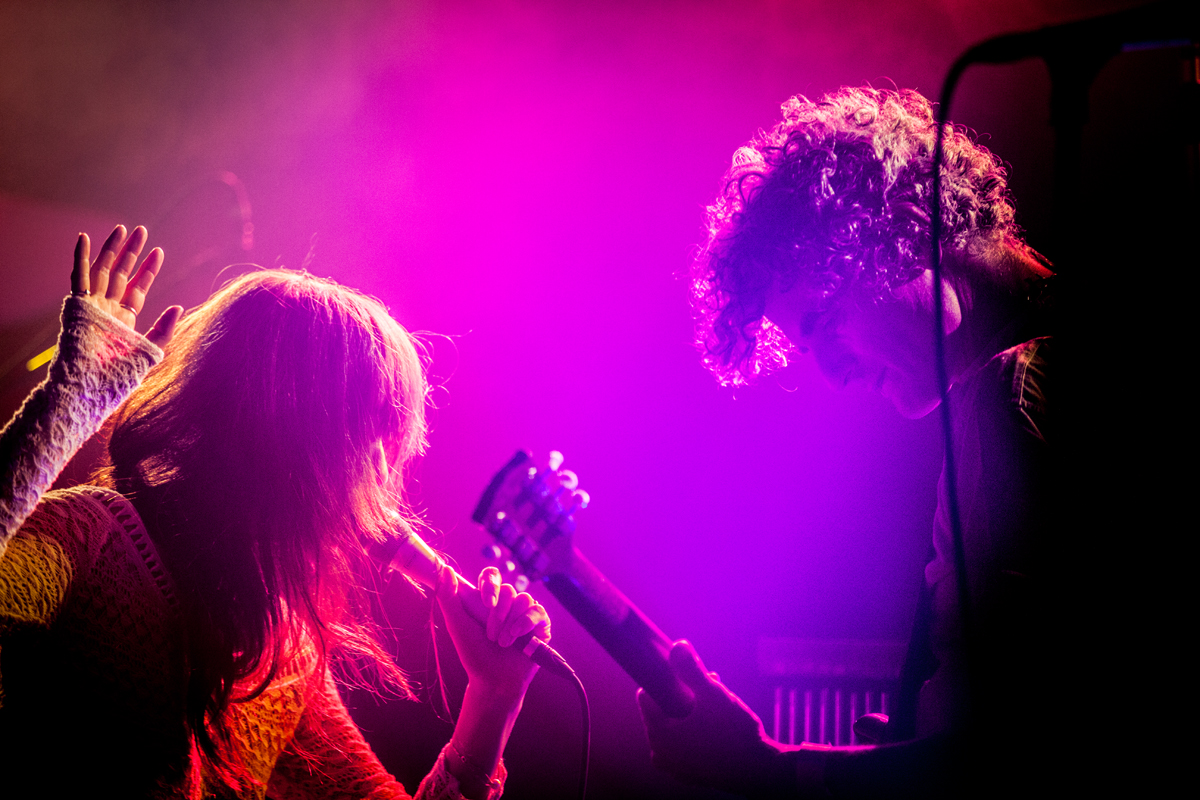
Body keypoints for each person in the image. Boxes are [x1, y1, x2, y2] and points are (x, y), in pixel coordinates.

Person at [0, 225, 550, 799]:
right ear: (301, 444)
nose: (391, 474)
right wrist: (66, 407)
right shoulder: (91, 538)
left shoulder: (282, 645)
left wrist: (493, 698)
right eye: (379, 436)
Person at [639, 86, 1056, 796]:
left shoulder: (1009, 394)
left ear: (906, 223)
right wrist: (904, 749)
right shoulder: (1007, 391)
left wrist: (772, 772)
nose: (832, 377)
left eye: (824, 324)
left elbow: (1010, 755)